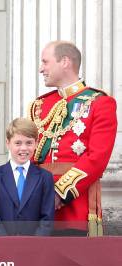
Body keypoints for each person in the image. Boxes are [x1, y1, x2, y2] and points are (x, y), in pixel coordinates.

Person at [28, 40, 117, 236]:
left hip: (74, 205)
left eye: (45, 62)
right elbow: (30, 156)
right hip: (35, 202)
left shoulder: (100, 103)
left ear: (65, 62)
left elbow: (97, 157)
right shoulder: (40, 105)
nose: (40, 69)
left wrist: (60, 192)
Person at [0, 118, 55, 235]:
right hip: (3, 245)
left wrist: (34, 244)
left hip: (35, 247)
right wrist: (6, 242)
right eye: (18, 143)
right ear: (8, 143)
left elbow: (47, 217)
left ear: (36, 143)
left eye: (29, 143)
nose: (24, 148)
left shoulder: (45, 177)